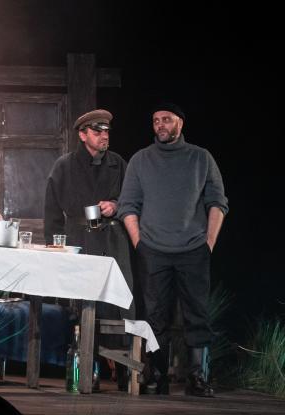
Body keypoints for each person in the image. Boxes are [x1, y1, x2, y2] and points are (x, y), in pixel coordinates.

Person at [118, 102, 228, 397]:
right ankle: (157, 375)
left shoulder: (200, 158)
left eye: (166, 119)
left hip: (193, 248)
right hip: (153, 249)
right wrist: (139, 242)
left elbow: (217, 202)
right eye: (156, 120)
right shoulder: (141, 160)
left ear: (180, 123)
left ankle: (197, 377)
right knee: (155, 315)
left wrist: (208, 243)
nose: (160, 125)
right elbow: (128, 205)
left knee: (197, 313)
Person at [43, 109, 135, 391]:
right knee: (80, 307)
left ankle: (124, 369)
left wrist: (116, 206)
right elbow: (52, 212)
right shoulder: (64, 166)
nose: (104, 136)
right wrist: (55, 247)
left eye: (106, 131)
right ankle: (85, 369)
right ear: (83, 135)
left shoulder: (118, 164)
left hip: (112, 242)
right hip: (79, 242)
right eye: (97, 131)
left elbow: (134, 199)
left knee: (118, 304)